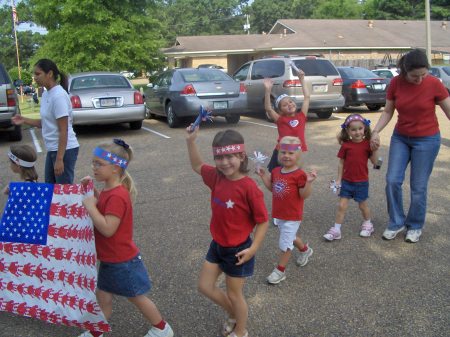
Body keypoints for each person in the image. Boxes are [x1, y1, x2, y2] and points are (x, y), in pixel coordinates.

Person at [80, 139, 173, 337]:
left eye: (98, 164)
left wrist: (89, 206)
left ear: (115, 168)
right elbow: (102, 209)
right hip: (110, 259)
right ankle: (96, 332)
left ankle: (162, 328)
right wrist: (93, 195)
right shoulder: (108, 190)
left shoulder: (117, 196)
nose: (93, 167)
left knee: (137, 297)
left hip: (122, 261)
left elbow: (107, 229)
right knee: (103, 298)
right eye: (93, 163)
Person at [186, 127, 269, 337]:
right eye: (219, 157)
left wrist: (253, 249)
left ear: (241, 156)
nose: (224, 163)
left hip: (239, 250)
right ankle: (233, 314)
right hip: (217, 245)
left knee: (235, 294)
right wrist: (191, 141)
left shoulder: (249, 188)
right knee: (205, 286)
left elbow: (263, 221)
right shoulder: (216, 176)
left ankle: (241, 331)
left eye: (229, 157)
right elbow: (196, 164)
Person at [370, 48, 450, 243]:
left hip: (427, 140)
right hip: (401, 138)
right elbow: (388, 111)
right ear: (405, 71)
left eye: (424, 74)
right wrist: (376, 131)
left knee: (418, 186)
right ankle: (396, 221)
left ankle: (415, 225)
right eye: (415, 76)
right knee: (393, 180)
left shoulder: (434, 84)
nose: (420, 79)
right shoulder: (396, 83)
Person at [256, 136, 317, 285]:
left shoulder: (300, 174)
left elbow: (304, 195)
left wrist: (308, 183)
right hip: (280, 214)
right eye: (283, 152)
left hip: (292, 215)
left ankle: (280, 271)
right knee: (290, 237)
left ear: (298, 155)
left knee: (285, 244)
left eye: (291, 153)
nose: (286, 156)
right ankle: (305, 250)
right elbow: (273, 188)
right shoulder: (276, 171)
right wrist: (264, 176)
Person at [12, 58, 79, 184]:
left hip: (65, 151)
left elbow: (63, 130)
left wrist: (60, 159)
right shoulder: (47, 94)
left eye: (38, 74)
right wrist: (23, 119)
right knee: (49, 188)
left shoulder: (58, 96)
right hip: (53, 149)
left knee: (62, 192)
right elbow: (45, 123)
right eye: (34, 74)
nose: (35, 77)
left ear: (50, 74)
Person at [324, 114, 379, 241]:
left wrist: (376, 150)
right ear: (347, 131)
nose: (357, 132)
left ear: (364, 128)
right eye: (353, 129)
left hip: (362, 183)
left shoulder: (367, 145)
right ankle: (336, 230)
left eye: (360, 128)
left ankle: (368, 224)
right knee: (341, 206)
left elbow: (376, 165)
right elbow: (341, 163)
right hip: (347, 182)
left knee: (363, 206)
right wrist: (338, 179)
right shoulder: (346, 146)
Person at [264, 63, 310, 172]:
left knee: (294, 175)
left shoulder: (301, 116)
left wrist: (301, 79)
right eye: (285, 105)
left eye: (290, 101)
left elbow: (307, 97)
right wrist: (267, 91)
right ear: (280, 111)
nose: (289, 104)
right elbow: (268, 108)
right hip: (281, 150)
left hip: (296, 150)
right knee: (276, 174)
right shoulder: (280, 119)